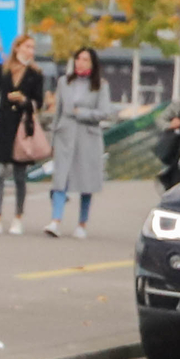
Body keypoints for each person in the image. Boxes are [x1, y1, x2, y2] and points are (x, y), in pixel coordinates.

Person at [0, 33, 45, 235]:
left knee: (19, 175)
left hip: (22, 127)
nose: (30, 51)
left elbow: (39, 102)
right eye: (27, 47)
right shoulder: (3, 69)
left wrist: (25, 101)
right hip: (3, 124)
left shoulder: (36, 73)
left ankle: (18, 217)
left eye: (32, 47)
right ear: (17, 48)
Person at [45, 46, 112, 239]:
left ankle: (82, 223)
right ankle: (55, 221)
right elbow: (57, 111)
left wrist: (82, 113)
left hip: (87, 136)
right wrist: (53, 137)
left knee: (86, 180)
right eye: (78, 58)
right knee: (60, 178)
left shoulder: (100, 85)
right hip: (65, 134)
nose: (80, 63)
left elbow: (105, 112)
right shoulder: (64, 82)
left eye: (85, 59)